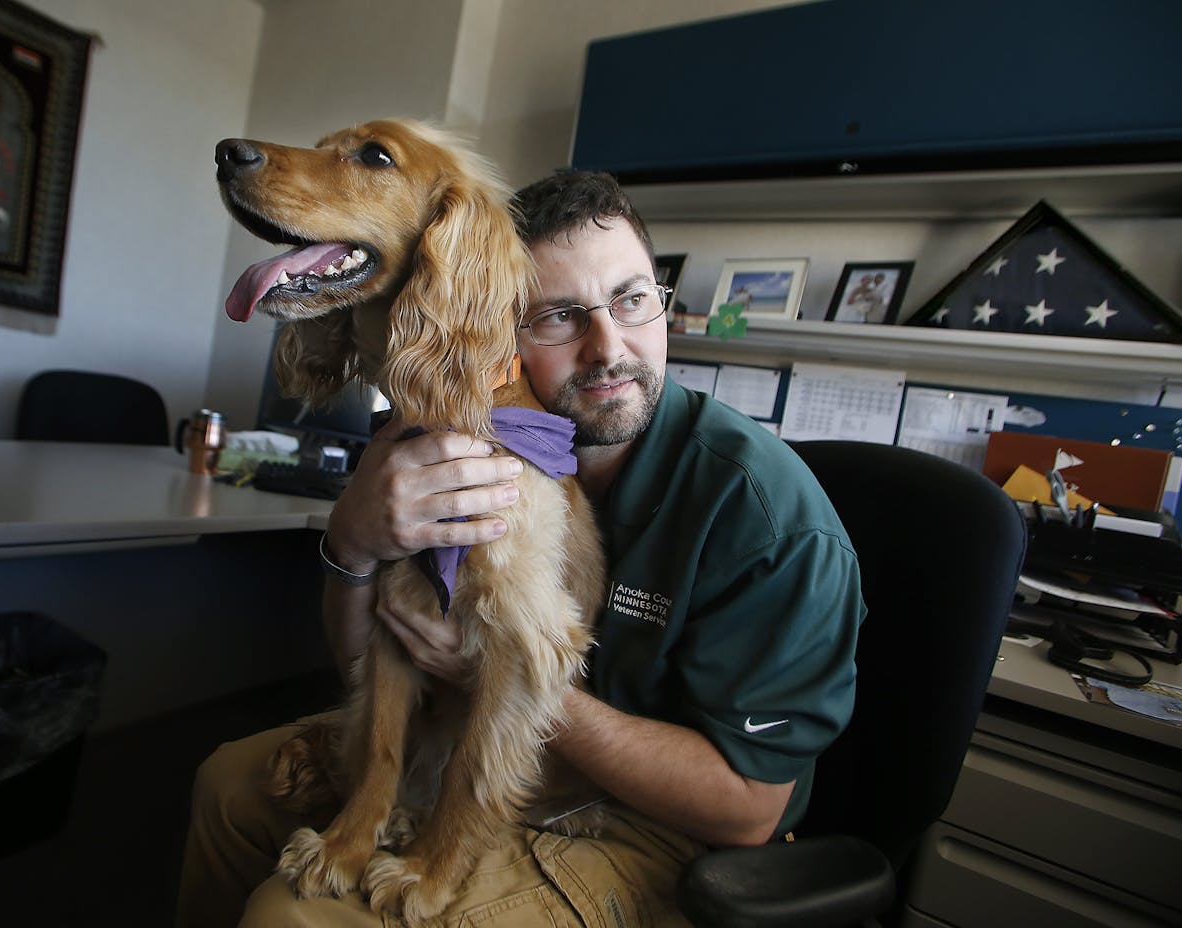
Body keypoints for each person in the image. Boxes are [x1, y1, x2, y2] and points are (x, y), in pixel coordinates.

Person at [175, 171, 865, 928]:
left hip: (652, 826)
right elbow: (369, 664)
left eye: (633, 299)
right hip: (459, 742)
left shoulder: (765, 515)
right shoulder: (461, 447)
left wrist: (500, 670)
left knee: (292, 918)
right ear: (496, 329)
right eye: (559, 317)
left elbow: (746, 812)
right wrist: (354, 543)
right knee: (225, 788)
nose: (609, 348)